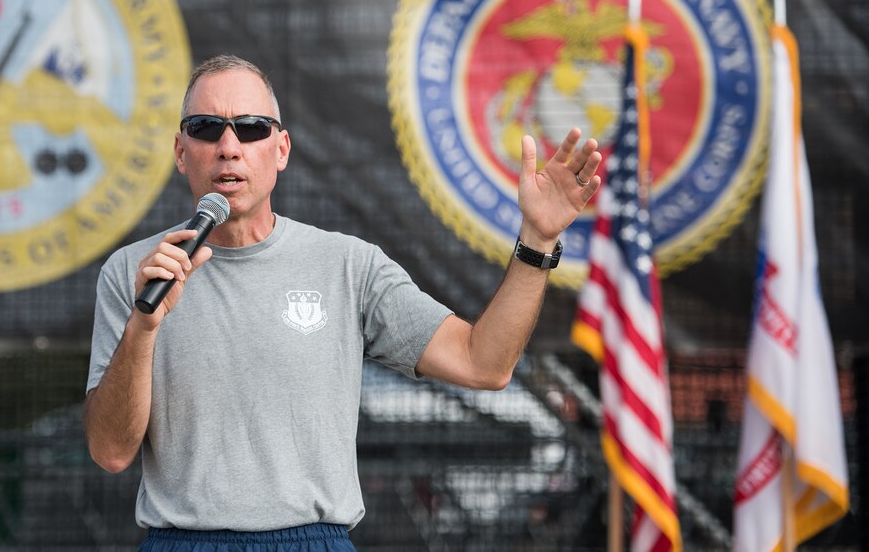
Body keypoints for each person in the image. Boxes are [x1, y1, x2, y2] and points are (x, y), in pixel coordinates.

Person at [84, 55, 601, 551]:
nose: (228, 146)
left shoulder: (347, 266)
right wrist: (143, 328)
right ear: (180, 151)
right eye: (205, 128)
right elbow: (110, 452)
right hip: (183, 540)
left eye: (251, 127)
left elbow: (483, 363)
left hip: (312, 538)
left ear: (281, 149)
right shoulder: (135, 273)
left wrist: (536, 241)